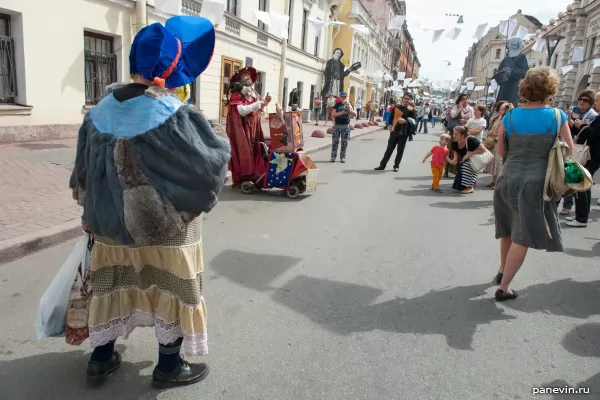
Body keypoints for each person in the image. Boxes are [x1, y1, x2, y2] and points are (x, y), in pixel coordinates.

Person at [68, 16, 231, 388]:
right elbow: (209, 168)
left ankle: (100, 359)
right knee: (170, 290)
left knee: (112, 287)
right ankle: (169, 367)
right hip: (164, 232)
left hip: (109, 230)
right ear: (171, 66)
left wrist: (91, 214)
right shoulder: (174, 113)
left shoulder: (97, 112)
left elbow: (81, 177)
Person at [493, 67, 574, 301]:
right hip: (536, 182)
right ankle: (505, 286)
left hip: (507, 178)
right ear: (550, 90)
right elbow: (569, 150)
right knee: (523, 234)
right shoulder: (558, 116)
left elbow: (501, 151)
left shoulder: (509, 116)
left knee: (507, 228)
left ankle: (501, 270)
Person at [226, 66, 272, 189]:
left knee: (256, 149)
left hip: (254, 127)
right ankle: (243, 178)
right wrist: (257, 104)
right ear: (240, 80)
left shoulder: (253, 93)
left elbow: (258, 108)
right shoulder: (237, 94)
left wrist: (265, 102)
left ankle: (256, 176)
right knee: (244, 152)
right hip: (242, 129)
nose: (247, 77)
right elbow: (241, 111)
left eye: (248, 76)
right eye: (244, 76)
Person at [566, 90, 600, 228]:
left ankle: (581, 218)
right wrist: (575, 124)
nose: (596, 104)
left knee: (579, 183)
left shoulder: (595, 116)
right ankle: (581, 216)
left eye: (597, 101)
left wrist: (582, 126)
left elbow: (592, 134)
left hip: (592, 155)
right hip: (588, 153)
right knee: (584, 184)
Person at [374, 92, 417, 172]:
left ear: (410, 100)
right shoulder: (396, 107)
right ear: (402, 99)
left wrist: (405, 121)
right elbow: (390, 119)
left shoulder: (411, 110)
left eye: (408, 99)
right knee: (389, 149)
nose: (406, 100)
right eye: (405, 98)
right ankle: (382, 165)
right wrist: (390, 129)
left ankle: (396, 166)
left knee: (400, 150)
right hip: (394, 132)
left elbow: (414, 122)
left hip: (404, 133)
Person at [447, 126, 486, 194]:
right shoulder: (455, 142)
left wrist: (470, 154)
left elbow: (483, 150)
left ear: (463, 135)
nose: (454, 136)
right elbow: (455, 150)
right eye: (454, 133)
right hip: (467, 159)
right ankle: (464, 185)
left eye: (456, 134)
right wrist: (455, 158)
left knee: (465, 166)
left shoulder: (470, 140)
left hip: (477, 159)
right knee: (461, 167)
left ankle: (470, 187)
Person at [330, 91, 356, 163]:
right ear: (340, 97)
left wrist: (349, 111)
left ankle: (342, 157)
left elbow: (354, 115)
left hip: (345, 126)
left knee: (344, 143)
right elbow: (333, 114)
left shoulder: (349, 104)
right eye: (342, 97)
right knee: (335, 142)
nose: (343, 98)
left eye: (345, 97)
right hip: (337, 125)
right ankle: (333, 157)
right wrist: (342, 112)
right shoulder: (337, 105)